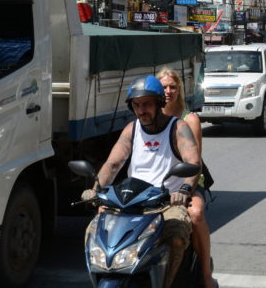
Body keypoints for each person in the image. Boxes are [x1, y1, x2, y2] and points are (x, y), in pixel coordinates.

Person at [89, 76, 200, 288]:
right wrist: (94, 189)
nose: (141, 111)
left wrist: (184, 190)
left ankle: (166, 284)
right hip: (130, 201)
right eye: (136, 105)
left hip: (166, 202)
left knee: (176, 235)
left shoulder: (178, 127)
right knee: (94, 231)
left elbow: (193, 162)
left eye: (147, 104)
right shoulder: (132, 129)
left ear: (160, 103)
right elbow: (113, 164)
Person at [157, 68, 218, 288]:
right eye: (163, 87)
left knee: (196, 214)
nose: (168, 91)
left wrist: (185, 188)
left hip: (187, 182)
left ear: (179, 90)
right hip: (158, 184)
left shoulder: (189, 119)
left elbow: (195, 164)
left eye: (173, 87)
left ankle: (205, 273)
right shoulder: (150, 118)